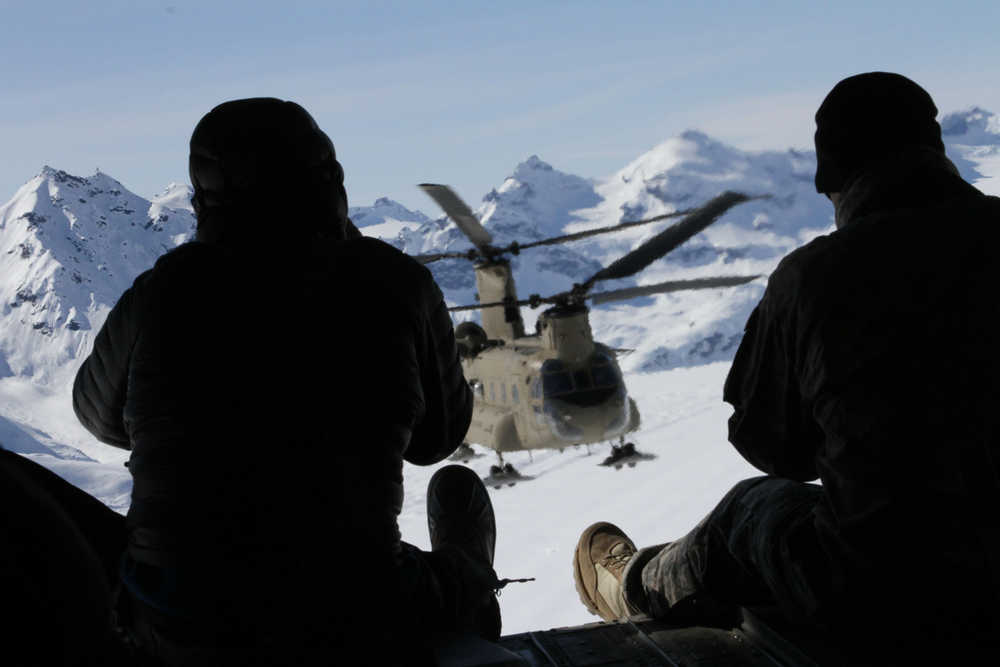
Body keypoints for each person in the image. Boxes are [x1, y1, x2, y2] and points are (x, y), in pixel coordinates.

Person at [572, 72, 1000, 660]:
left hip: (889, 595)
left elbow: (772, 447)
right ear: (938, 152)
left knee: (751, 510)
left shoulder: (813, 277)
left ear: (831, 179)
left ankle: (631, 586)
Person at [71, 98, 500, 665]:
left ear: (203, 200)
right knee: (448, 567)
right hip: (362, 615)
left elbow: (96, 415)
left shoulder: (166, 290)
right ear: (331, 180)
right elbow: (437, 440)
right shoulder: (395, 282)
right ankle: (473, 590)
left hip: (174, 626)